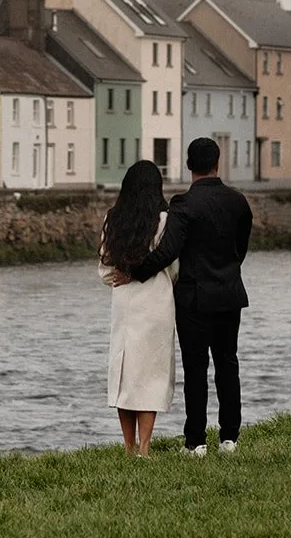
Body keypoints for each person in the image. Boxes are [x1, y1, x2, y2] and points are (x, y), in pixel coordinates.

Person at [125, 137, 252, 458]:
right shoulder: (239, 202)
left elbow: (168, 252)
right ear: (218, 163)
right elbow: (241, 247)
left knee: (196, 370)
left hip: (193, 298)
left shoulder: (184, 205)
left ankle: (196, 442)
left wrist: (136, 271)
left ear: (188, 165)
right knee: (228, 364)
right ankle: (230, 438)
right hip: (229, 293)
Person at [98, 160, 179, 456]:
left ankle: (129, 446)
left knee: (125, 374)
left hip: (124, 301)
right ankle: (145, 446)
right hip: (157, 300)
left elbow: (104, 270)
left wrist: (119, 277)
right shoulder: (164, 221)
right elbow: (173, 265)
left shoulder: (114, 218)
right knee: (151, 375)